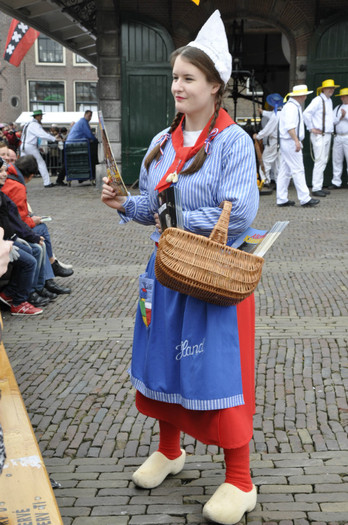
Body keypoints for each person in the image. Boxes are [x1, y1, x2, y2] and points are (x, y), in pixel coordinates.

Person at [102, 10, 259, 525]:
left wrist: (175, 214)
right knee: (163, 363)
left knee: (218, 372)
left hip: (213, 281)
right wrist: (124, 203)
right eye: (174, 77)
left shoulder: (232, 142)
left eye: (188, 78)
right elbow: (151, 205)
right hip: (166, 275)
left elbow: (239, 213)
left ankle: (240, 480)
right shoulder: (162, 142)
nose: (177, 86)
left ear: (215, 86)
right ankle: (170, 451)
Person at [1, 155, 73, 295]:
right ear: (31, 175)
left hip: (8, 230)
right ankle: (43, 281)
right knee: (40, 236)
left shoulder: (10, 180)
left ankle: (48, 274)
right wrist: (32, 222)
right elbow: (17, 220)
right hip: (8, 234)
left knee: (39, 236)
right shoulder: (16, 186)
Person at [277, 85, 320, 208]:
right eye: (305, 94)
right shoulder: (292, 108)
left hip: (287, 141)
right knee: (298, 170)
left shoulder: (291, 106)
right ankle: (304, 198)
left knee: (285, 171)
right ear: (300, 96)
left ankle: (281, 198)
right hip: (290, 141)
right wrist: (296, 141)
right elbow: (290, 127)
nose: (306, 97)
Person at [303, 79, 340, 197]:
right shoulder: (318, 100)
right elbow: (306, 113)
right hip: (319, 135)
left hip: (327, 134)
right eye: (329, 88)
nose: (331, 90)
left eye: (333, 88)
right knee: (319, 161)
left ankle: (319, 186)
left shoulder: (329, 101)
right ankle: (316, 188)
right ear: (323, 89)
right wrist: (311, 128)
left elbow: (331, 119)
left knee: (323, 161)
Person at [20, 109, 57, 188]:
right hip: (30, 146)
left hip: (23, 145)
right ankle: (47, 183)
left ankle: (17, 181)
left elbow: (29, 136)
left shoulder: (28, 124)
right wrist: (54, 138)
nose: (42, 118)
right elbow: (42, 134)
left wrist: (38, 147)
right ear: (38, 116)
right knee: (41, 163)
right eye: (41, 116)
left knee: (21, 164)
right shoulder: (35, 125)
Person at [253, 93, 284, 185]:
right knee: (278, 163)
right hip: (281, 141)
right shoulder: (282, 113)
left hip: (274, 141)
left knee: (265, 160)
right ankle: (279, 182)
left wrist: (258, 136)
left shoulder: (275, 116)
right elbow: (271, 114)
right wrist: (263, 112)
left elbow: (267, 130)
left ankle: (265, 181)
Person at [66, 110, 98, 179]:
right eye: (89, 115)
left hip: (72, 142)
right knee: (91, 156)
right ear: (85, 114)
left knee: (70, 161)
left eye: (91, 116)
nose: (90, 117)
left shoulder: (81, 122)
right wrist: (95, 140)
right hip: (75, 143)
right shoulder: (83, 122)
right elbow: (89, 134)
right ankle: (92, 174)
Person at [330, 87, 348, 189]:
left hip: (347, 136)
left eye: (344, 96)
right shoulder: (337, 108)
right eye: (341, 96)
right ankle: (336, 182)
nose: (342, 98)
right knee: (337, 160)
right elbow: (332, 122)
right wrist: (340, 117)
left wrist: (345, 116)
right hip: (338, 137)